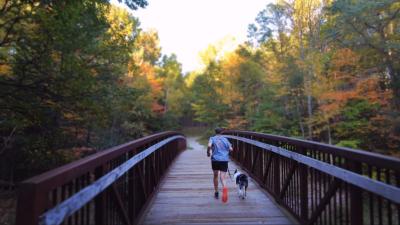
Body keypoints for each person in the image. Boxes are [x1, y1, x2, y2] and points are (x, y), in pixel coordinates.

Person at [207, 127, 233, 202]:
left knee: (215, 175)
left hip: (215, 159)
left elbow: (209, 145)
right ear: (222, 132)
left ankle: (216, 192)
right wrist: (227, 153)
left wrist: (208, 152)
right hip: (224, 160)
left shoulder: (212, 138)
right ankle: (224, 187)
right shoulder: (225, 139)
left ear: (215, 132)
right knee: (223, 177)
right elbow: (231, 149)